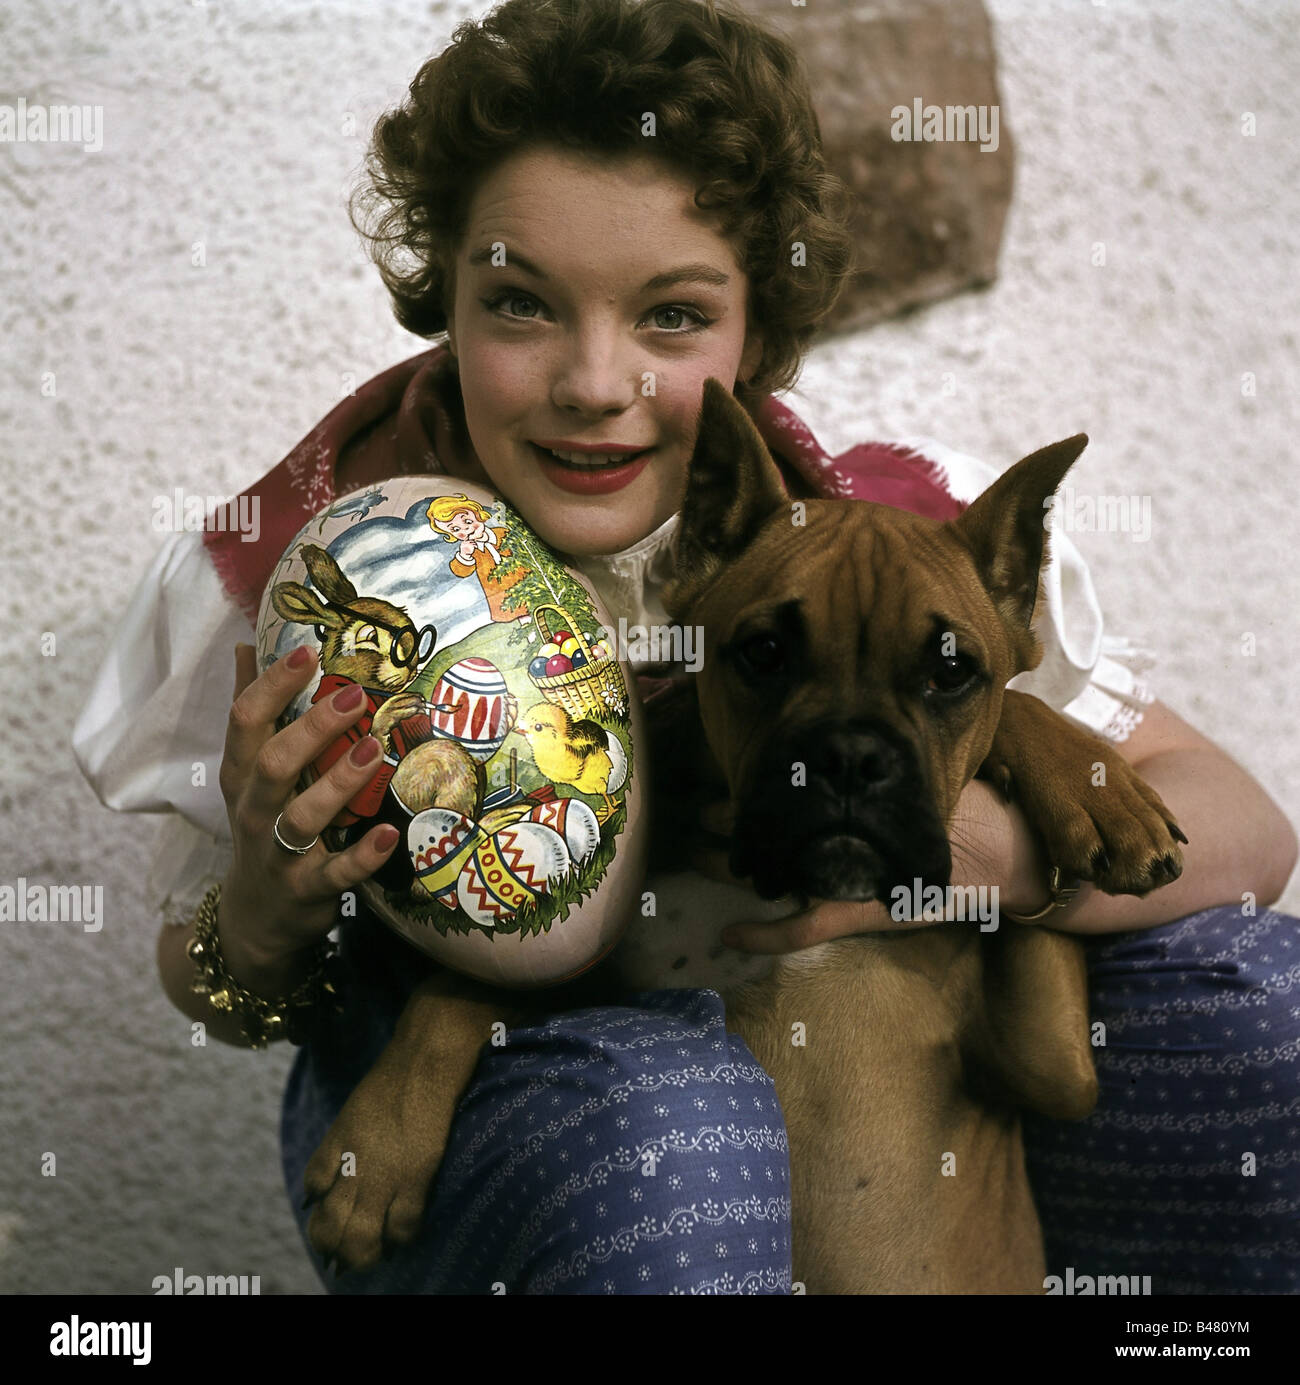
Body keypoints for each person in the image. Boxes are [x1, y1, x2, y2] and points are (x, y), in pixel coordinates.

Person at [73, 0, 1298, 1294]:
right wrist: (260, 925)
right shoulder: (332, 568)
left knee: (1255, 1011)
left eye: (670, 316)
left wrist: (966, 854)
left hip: (874, 1113)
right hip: (504, 1104)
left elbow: (1247, 837)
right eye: (522, 303)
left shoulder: (896, 543)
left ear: (755, 325)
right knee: (676, 1119)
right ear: (446, 298)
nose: (595, 381)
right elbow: (211, 991)